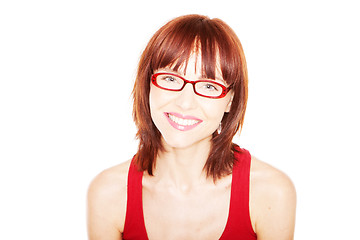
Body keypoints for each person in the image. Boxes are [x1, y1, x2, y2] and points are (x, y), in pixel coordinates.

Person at [87, 14, 296, 240]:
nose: (185, 102)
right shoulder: (108, 193)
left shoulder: (270, 192)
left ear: (230, 100)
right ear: (148, 84)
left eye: (209, 85)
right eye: (170, 79)